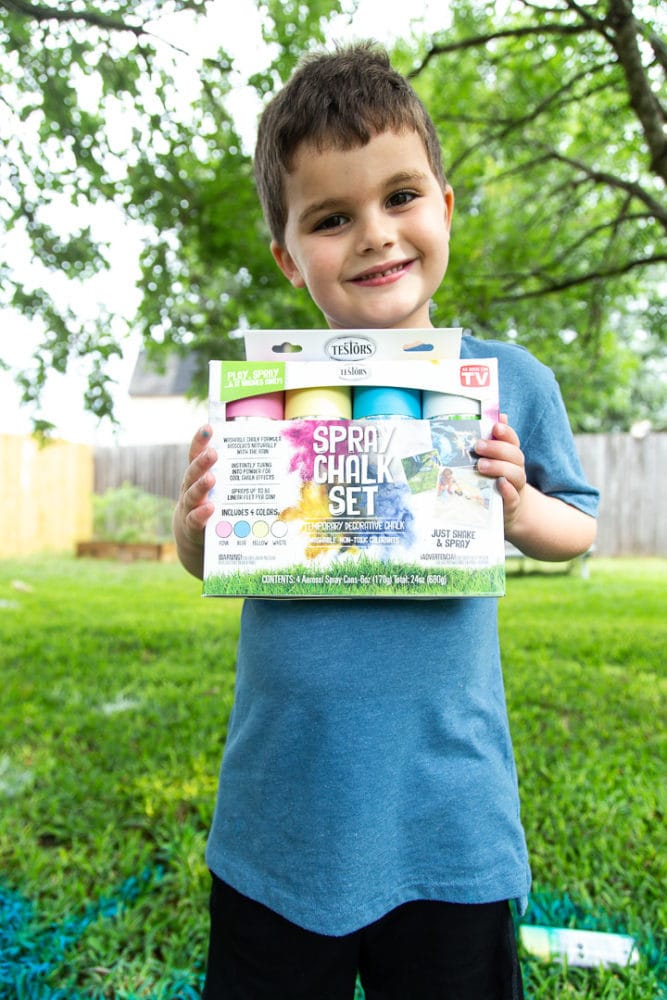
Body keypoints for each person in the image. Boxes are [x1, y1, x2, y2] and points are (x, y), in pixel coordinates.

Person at [173, 43, 599, 1000]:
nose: (374, 234)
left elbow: (578, 527)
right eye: (331, 217)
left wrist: (520, 505)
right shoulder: (264, 400)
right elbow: (205, 561)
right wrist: (197, 521)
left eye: (400, 196)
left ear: (443, 208)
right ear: (288, 257)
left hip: (448, 810)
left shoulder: (507, 386)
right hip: (283, 815)